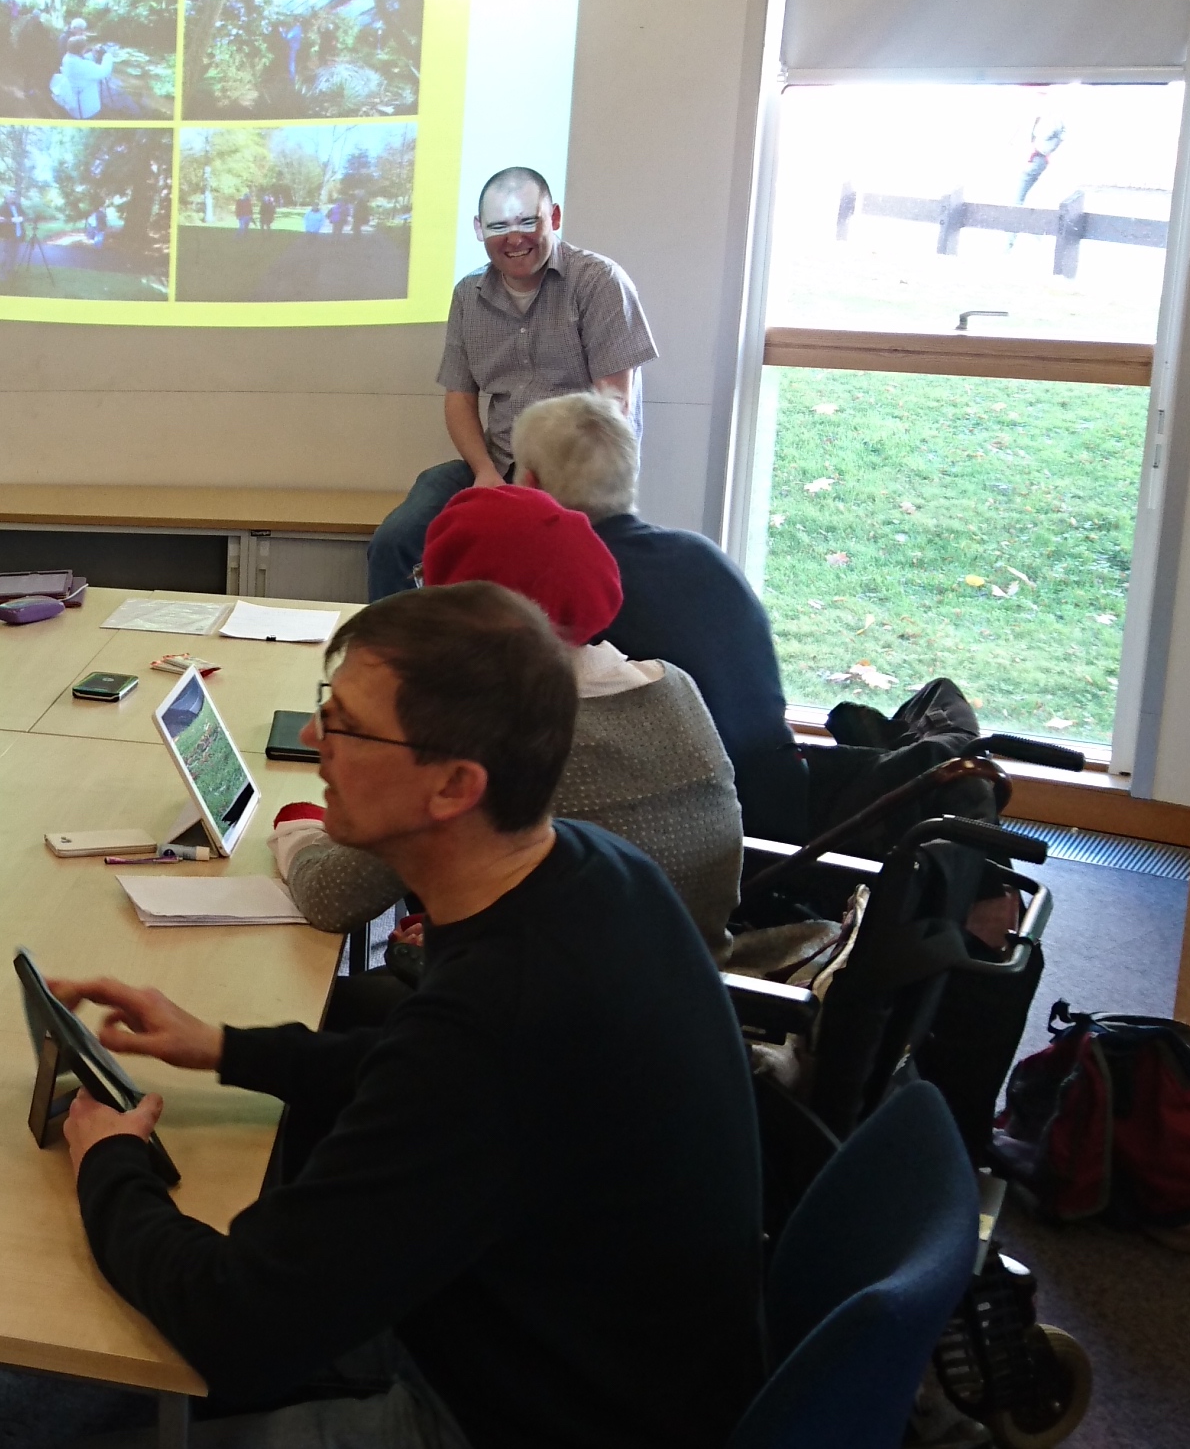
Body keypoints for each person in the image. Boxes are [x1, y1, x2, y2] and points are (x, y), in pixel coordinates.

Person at [53, 582, 764, 1448]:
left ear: (452, 787)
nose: (314, 738)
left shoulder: (497, 1022)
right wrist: (226, 1047)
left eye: (346, 725)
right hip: (607, 1345)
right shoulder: (592, 867)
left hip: (524, 1415)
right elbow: (411, 1071)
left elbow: (234, 1321)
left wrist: (110, 1167)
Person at [278, 484, 742, 952]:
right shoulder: (674, 685)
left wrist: (294, 829)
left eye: (427, 584)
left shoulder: (502, 735)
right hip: (696, 973)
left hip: (560, 1006)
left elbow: (330, 898)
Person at [513, 391, 810, 840]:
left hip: (696, 836)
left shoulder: (572, 592)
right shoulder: (705, 556)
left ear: (530, 485)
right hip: (784, 805)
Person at [367, 166, 658, 600]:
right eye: (499, 226)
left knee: (530, 572)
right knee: (398, 537)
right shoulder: (469, 294)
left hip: (574, 476)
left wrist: (541, 490)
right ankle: (393, 656)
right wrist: (486, 472)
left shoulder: (599, 283)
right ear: (479, 229)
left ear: (554, 217)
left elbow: (614, 408)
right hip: (497, 464)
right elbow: (460, 397)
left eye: (528, 221)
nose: (514, 238)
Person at [50, 33, 116, 120]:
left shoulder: (67, 58)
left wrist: (93, 54)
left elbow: (81, 59)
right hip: (86, 109)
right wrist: (107, 56)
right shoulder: (82, 66)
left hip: (75, 104)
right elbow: (104, 71)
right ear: (81, 49)